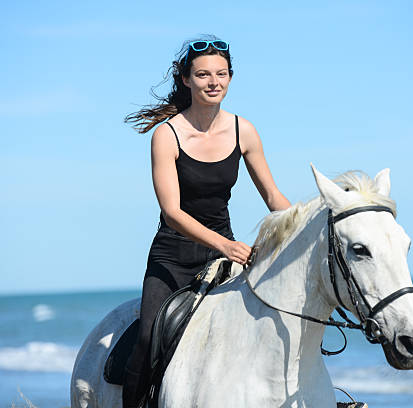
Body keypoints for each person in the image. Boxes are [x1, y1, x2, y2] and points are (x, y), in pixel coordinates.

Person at [121, 35, 290, 407]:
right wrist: (226, 245)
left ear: (230, 78)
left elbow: (273, 197)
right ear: (186, 79)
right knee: (149, 338)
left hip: (224, 259)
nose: (213, 82)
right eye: (202, 75)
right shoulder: (167, 135)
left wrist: (303, 225)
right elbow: (172, 212)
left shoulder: (243, 130)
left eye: (221, 74)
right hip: (174, 258)